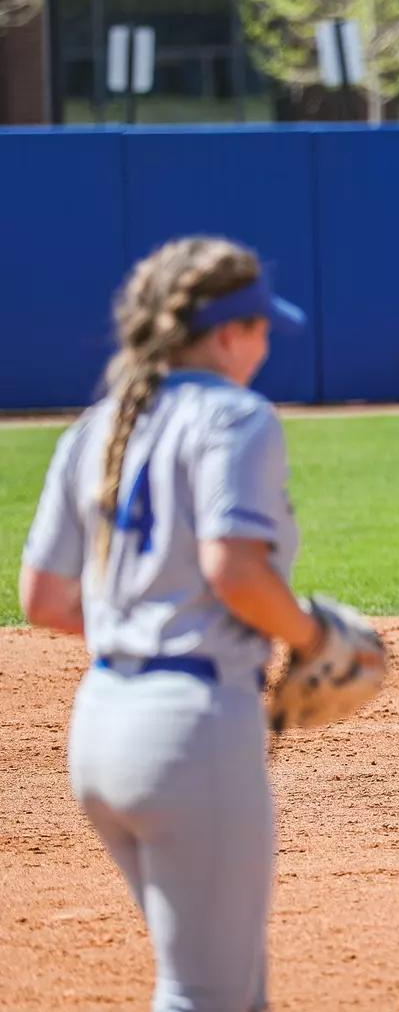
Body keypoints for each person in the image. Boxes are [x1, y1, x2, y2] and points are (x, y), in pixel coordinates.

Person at [17, 238, 354, 1010]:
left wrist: (146, 621)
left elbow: (46, 601)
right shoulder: (235, 418)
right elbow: (233, 569)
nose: (267, 346)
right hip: (190, 735)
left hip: (101, 728)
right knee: (204, 994)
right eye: (262, 330)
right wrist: (311, 640)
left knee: (227, 985)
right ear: (229, 334)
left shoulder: (98, 426)